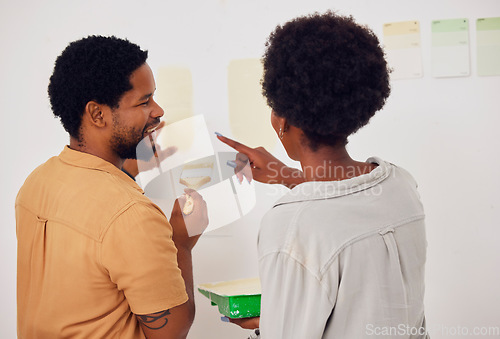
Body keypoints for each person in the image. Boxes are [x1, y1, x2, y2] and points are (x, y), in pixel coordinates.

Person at [217, 11, 429, 338]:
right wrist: (284, 174)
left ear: (281, 120)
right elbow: (348, 207)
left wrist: (268, 324)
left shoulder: (292, 227)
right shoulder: (401, 184)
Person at [15, 35, 208, 338]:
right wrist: (181, 242)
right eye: (144, 101)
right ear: (97, 114)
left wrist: (125, 171)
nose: (158, 111)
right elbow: (170, 332)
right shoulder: (132, 215)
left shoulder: (37, 182)